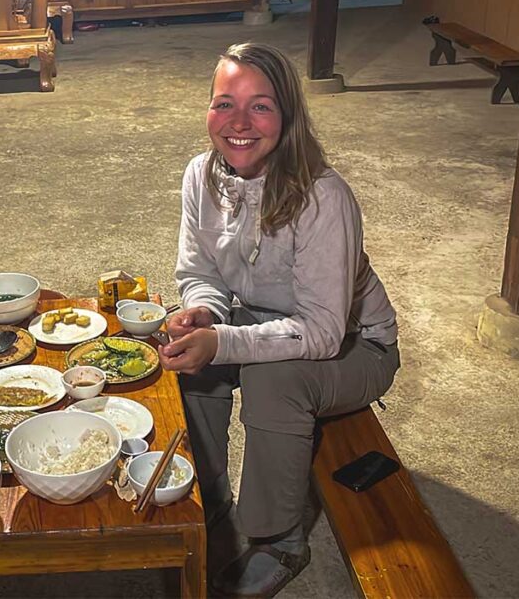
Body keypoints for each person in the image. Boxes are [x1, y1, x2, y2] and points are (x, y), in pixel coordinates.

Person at [160, 43, 399, 597]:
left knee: (271, 378)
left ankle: (280, 538)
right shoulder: (200, 174)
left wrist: (223, 341)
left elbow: (319, 331)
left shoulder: (323, 195)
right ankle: (213, 500)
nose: (239, 123)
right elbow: (199, 272)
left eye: (260, 106)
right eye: (224, 104)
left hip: (354, 346)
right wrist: (203, 312)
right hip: (263, 318)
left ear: (287, 116)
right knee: (187, 357)